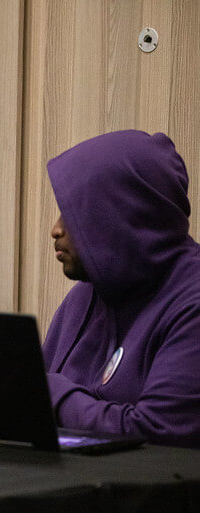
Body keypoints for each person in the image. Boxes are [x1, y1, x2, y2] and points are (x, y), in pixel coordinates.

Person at [43, 130, 200, 448]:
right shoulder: (84, 295)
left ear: (120, 214)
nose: (56, 229)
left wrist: (53, 393)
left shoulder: (192, 304)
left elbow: (156, 435)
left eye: (74, 214)